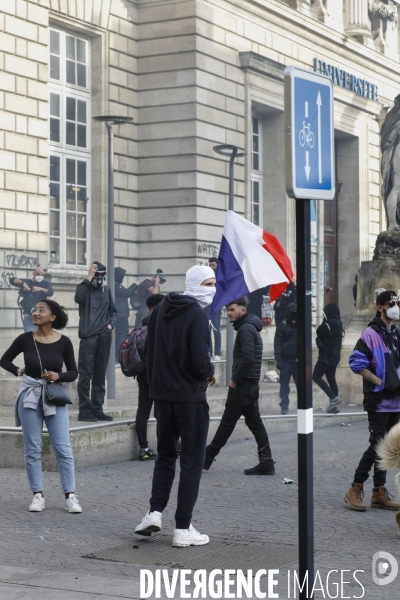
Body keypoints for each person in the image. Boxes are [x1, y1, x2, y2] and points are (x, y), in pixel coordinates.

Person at [134, 265, 216, 548]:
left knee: (166, 456)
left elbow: (147, 350)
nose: (213, 287)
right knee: (192, 462)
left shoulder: (160, 312)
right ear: (195, 284)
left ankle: (154, 513)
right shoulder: (197, 315)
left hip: (163, 397)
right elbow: (199, 361)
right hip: (189, 398)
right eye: (208, 282)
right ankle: (183, 528)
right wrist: (209, 369)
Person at [0, 300, 82, 514]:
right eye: (35, 309)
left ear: (52, 316)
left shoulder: (64, 342)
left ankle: (70, 496)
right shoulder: (25, 339)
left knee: (63, 448)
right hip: (30, 396)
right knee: (32, 448)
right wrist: (20, 372)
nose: (35, 313)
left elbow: (73, 372)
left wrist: (58, 375)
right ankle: (38, 495)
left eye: (41, 310)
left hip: (54, 396)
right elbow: (4, 360)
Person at [204, 297, 276, 476]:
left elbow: (248, 358)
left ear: (242, 310)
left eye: (232, 310)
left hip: (244, 384)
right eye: (227, 310)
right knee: (255, 423)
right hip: (250, 384)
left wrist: (234, 379)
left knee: (227, 423)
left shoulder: (245, 329)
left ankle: (206, 458)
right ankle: (266, 461)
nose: (229, 313)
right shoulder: (248, 327)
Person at [344, 290, 400, 512]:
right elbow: (356, 363)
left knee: (388, 447)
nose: (395, 306)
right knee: (377, 445)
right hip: (378, 400)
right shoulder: (370, 333)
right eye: (391, 303)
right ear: (380, 307)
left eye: (397, 302)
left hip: (396, 401)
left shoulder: (396, 333)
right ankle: (355, 489)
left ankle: (379, 491)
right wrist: (380, 382)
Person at [75, 261, 117, 422]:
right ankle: (84, 410)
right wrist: (88, 278)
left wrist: (110, 325)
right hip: (88, 337)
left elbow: (113, 310)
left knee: (100, 373)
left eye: (102, 275)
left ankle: (97, 408)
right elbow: (79, 299)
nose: (99, 278)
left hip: (104, 336)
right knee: (85, 374)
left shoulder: (107, 291)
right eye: (96, 275)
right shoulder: (84, 289)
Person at [135, 293, 165, 461]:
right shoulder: (158, 326)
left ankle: (143, 446)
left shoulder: (139, 331)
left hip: (142, 375)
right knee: (162, 411)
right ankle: (169, 444)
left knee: (143, 411)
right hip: (157, 375)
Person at [312, 303, 343, 414]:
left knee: (316, 376)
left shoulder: (331, 323)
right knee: (331, 379)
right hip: (334, 356)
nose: (324, 316)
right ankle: (334, 406)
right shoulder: (338, 323)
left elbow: (319, 331)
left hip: (327, 356)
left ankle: (333, 398)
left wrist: (325, 322)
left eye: (325, 314)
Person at [10, 267, 54, 332]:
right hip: (29, 316)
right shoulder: (28, 282)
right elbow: (12, 280)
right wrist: (23, 283)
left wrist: (40, 289)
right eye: (38, 274)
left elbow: (51, 292)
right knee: (29, 336)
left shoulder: (45, 283)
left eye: (42, 275)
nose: (40, 276)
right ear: (34, 274)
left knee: (42, 337)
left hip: (41, 316)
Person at [274, 302, 297, 415]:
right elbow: (277, 343)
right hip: (285, 361)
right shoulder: (282, 326)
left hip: (297, 361)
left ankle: (303, 407)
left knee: (301, 386)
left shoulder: (301, 325)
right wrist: (278, 359)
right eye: (294, 313)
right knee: (284, 386)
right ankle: (284, 406)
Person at [114, 267, 138, 360]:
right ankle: (120, 355)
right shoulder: (116, 285)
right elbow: (126, 293)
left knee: (119, 335)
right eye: (122, 276)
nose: (123, 278)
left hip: (119, 314)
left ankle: (118, 355)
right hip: (121, 315)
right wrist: (135, 285)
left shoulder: (116, 285)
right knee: (122, 335)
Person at [206, 257, 221, 360]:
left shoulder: (220, 276)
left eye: (213, 265)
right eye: (210, 265)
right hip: (207, 305)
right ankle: (209, 353)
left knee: (216, 329)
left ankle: (217, 353)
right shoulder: (206, 275)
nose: (211, 267)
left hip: (216, 306)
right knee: (207, 330)